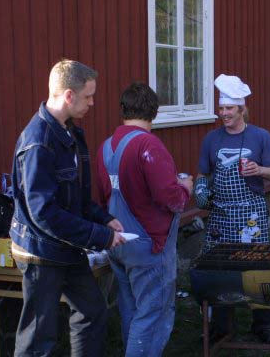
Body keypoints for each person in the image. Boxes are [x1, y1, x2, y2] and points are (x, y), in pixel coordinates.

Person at [9, 59, 126, 356]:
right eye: (88, 96)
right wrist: (99, 237)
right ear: (69, 95)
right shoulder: (37, 142)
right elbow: (44, 213)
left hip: (67, 246)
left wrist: (105, 219)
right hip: (40, 252)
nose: (93, 102)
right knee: (39, 337)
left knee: (93, 311)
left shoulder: (72, 132)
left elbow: (76, 197)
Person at [95, 82, 192, 356]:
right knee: (152, 315)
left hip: (118, 242)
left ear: (123, 110)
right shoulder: (148, 144)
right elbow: (169, 197)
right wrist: (185, 187)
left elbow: (104, 196)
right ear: (154, 111)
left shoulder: (106, 147)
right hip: (148, 247)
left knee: (131, 309)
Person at [195, 74, 270, 344]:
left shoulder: (260, 137)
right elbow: (202, 174)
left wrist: (260, 169)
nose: (224, 114)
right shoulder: (211, 140)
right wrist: (200, 191)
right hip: (221, 215)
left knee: (259, 268)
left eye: (229, 109)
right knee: (220, 269)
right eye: (221, 109)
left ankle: (263, 323)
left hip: (251, 214)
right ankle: (221, 324)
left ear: (242, 109)